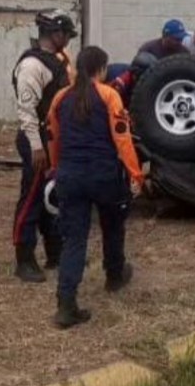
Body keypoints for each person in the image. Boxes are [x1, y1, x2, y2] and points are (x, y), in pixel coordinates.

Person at [47, 45, 144, 328]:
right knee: (113, 226)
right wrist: (136, 174)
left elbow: (53, 136)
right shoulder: (109, 95)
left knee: (74, 240)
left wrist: (56, 168)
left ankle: (66, 304)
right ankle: (114, 274)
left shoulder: (61, 97)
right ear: (100, 69)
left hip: (70, 175)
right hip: (103, 175)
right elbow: (122, 138)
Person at [11, 10, 77, 282]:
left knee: (51, 196)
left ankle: (55, 251)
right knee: (31, 198)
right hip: (36, 139)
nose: (68, 40)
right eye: (66, 35)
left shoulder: (56, 60)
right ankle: (24, 258)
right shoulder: (32, 65)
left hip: (53, 139)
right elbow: (26, 110)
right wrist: (36, 146)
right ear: (55, 34)